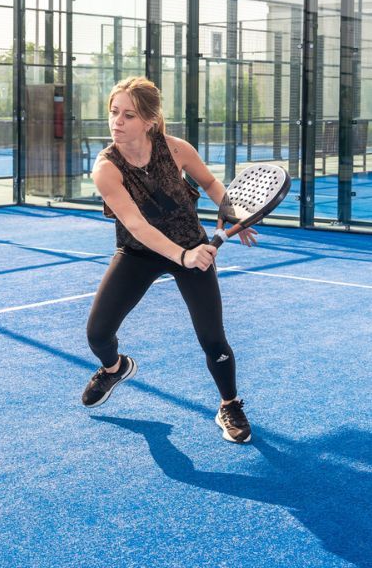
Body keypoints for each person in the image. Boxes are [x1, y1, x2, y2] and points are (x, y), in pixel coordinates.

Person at [82, 76, 257, 444]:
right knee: (97, 334)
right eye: (114, 112)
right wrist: (184, 256)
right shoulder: (106, 168)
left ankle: (230, 404)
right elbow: (135, 224)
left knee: (213, 339)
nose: (117, 122)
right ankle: (115, 368)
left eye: (128, 115)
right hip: (139, 252)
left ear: (149, 120)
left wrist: (233, 213)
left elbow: (210, 184)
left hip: (190, 246)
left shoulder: (176, 149)